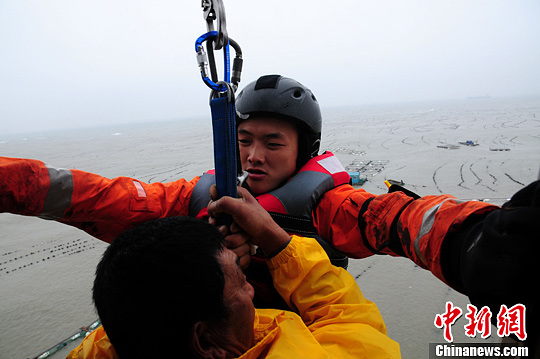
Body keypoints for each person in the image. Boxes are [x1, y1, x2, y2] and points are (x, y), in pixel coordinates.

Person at [1, 75, 539, 342]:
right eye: (245, 139)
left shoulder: (329, 206)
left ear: (304, 150)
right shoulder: (201, 200)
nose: (254, 156)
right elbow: (100, 196)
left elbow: (400, 219)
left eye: (273, 143)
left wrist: (474, 240)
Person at [68, 187, 401, 358]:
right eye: (241, 285)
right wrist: (276, 240)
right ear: (203, 341)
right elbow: (355, 325)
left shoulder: (127, 334)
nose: (252, 290)